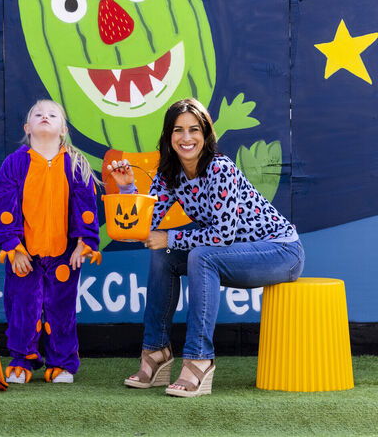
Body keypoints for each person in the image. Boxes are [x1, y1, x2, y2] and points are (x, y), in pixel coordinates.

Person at [108, 98, 304, 397]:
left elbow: (223, 235)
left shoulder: (219, 168)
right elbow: (144, 226)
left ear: (205, 134)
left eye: (194, 130)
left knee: (197, 254)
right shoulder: (169, 173)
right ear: (168, 135)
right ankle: (156, 351)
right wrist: (127, 189)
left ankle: (199, 359)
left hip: (280, 252)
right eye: (178, 130)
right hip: (226, 255)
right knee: (164, 255)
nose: (186, 138)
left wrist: (171, 238)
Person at [0, 100, 101, 384]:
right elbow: (3, 205)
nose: (44, 116)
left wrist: (84, 242)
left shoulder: (76, 164)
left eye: (52, 115)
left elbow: (86, 206)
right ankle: (22, 359)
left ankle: (62, 363)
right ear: (27, 128)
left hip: (64, 254)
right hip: (25, 253)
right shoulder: (14, 164)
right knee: (22, 307)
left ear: (63, 129)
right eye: (38, 114)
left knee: (62, 310)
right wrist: (13, 247)